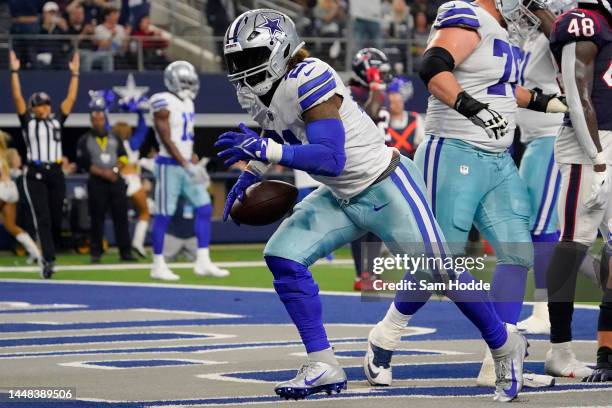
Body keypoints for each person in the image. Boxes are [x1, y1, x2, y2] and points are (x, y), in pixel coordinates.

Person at [218, 9, 528, 402]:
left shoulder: (311, 75)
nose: (243, 71)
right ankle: (323, 362)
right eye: (237, 61)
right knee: (282, 256)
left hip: (386, 186)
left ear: (280, 51)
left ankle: (504, 346)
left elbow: (331, 157)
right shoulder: (268, 90)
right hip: (341, 194)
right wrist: (251, 173)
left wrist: (269, 149)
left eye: (250, 58)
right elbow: (279, 128)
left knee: (443, 274)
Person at [365, 0, 568, 390]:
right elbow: (433, 66)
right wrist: (469, 106)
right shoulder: (466, 12)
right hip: (454, 149)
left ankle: (502, 360)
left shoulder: (502, 29)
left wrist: (546, 102)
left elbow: (502, 90)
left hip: (498, 157)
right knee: (440, 260)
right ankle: (385, 337)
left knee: (517, 253)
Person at [547, 0, 612, 382]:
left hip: (607, 141)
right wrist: (599, 160)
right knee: (573, 245)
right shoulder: (583, 22)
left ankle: (607, 351)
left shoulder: (599, 23)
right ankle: (560, 349)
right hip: (589, 146)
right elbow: (576, 92)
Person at [149, 61, 229, 281]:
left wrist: (192, 160)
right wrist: (185, 164)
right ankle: (157, 264)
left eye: (189, 82)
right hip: (168, 166)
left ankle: (202, 261)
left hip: (185, 165)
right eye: (183, 82)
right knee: (163, 215)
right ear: (172, 81)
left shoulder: (188, 103)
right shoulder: (162, 100)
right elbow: (166, 138)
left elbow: (184, 137)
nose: (186, 86)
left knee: (204, 208)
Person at [10, 50, 80, 279]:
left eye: (47, 104)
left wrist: (75, 74)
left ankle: (49, 252)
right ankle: (47, 260)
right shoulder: (28, 121)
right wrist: (14, 72)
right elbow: (18, 98)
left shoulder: (56, 120)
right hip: (36, 172)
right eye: (40, 105)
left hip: (56, 171)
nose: (45, 107)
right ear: (33, 108)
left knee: (56, 216)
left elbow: (70, 100)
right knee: (43, 217)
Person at [347, 47, 391, 290]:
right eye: (378, 73)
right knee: (361, 223)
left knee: (379, 221)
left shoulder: (373, 93)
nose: (382, 78)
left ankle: (370, 274)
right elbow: (369, 115)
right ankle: (362, 274)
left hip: (376, 160)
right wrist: (375, 90)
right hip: (356, 163)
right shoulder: (350, 92)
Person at [76, 110, 135, 263]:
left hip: (116, 181)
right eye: (95, 119)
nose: (98, 122)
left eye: (101, 119)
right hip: (97, 182)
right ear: (91, 121)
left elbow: (123, 156)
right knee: (96, 218)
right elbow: (84, 162)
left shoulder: (114, 137)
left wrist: (115, 170)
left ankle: (125, 252)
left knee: (121, 218)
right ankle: (96, 252)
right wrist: (103, 173)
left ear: (105, 120)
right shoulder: (85, 139)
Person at [111, 113, 150, 257]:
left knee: (118, 217)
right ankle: (137, 243)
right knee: (144, 212)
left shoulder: (111, 144)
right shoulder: (132, 143)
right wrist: (140, 113)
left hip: (116, 180)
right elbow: (143, 130)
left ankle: (126, 246)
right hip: (132, 179)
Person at [0, 131, 41, 263]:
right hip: (11, 189)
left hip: (1, 189)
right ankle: (36, 253)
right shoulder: (3, 153)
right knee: (11, 226)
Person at [378, 78, 424, 159]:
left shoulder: (415, 118)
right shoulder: (383, 121)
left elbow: (421, 144)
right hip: (389, 163)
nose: (397, 105)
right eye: (393, 102)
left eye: (399, 101)